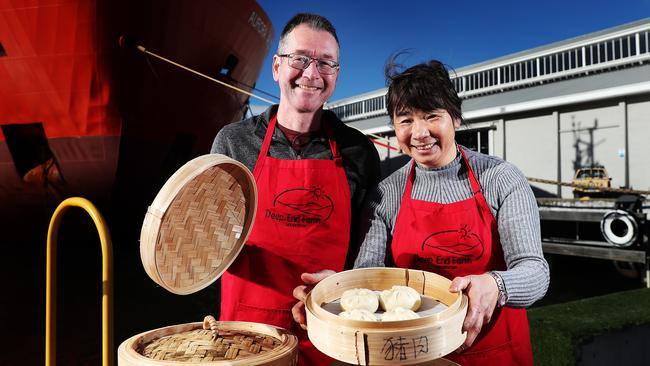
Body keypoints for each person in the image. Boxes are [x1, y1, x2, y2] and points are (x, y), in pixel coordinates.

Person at [292, 59, 549, 365]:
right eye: (406, 120)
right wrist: (335, 293)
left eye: (431, 116)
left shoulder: (500, 178)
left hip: (495, 351)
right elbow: (370, 277)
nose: (420, 133)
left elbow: (536, 272)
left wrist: (496, 284)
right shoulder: (386, 193)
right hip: (412, 354)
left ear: (455, 118)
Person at [211, 13, 381, 366]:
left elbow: (370, 247)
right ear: (276, 67)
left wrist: (346, 285)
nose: (312, 73)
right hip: (246, 332)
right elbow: (210, 233)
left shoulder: (359, 151)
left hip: (332, 327)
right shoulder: (234, 142)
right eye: (300, 58)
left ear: (336, 75)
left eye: (325, 63)